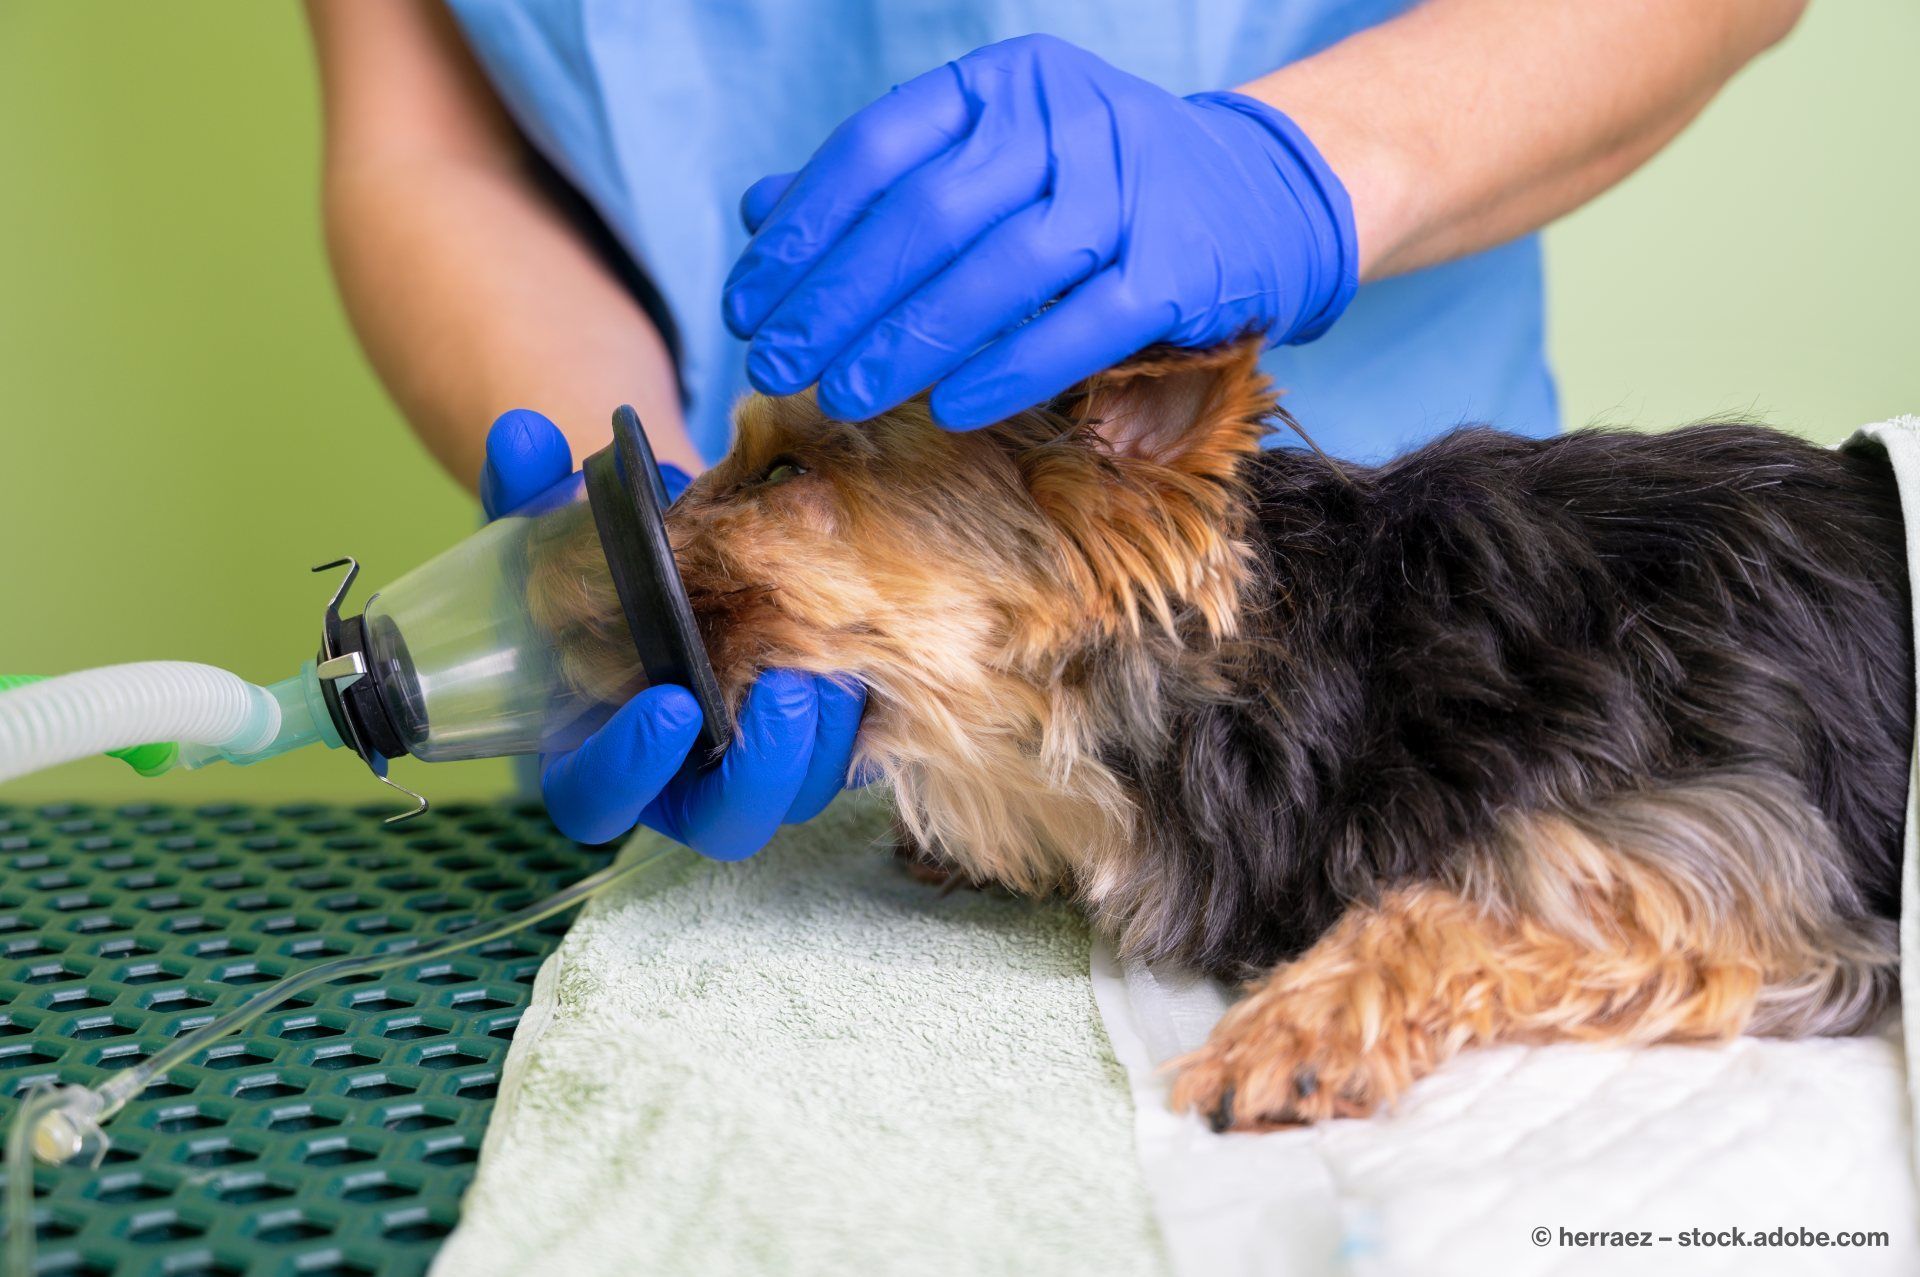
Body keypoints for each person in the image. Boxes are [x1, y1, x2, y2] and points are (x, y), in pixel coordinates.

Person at [304, 0, 1805, 855]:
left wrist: (1298, 169)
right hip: (823, 717)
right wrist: (622, 499)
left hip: (1413, 655)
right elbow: (425, 145)